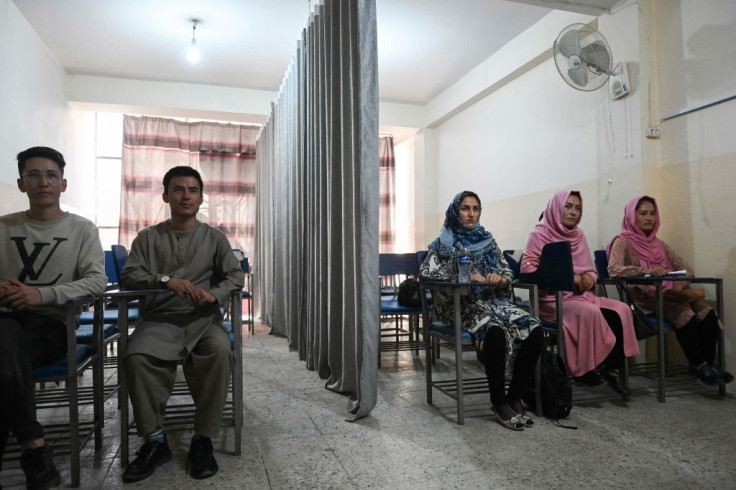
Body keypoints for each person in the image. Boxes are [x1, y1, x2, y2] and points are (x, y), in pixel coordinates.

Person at [120, 166, 244, 482]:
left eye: (192, 190)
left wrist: (212, 296)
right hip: (159, 319)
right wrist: (165, 281)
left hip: (203, 321)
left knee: (218, 352)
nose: (185, 196)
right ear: (165, 196)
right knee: (137, 357)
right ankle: (155, 441)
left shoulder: (215, 237)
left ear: (201, 198)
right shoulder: (148, 238)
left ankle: (203, 439)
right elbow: (130, 275)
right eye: (178, 189)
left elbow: (235, 276)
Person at [0, 147, 107, 490]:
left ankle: (33, 445)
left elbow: (96, 281)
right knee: (4, 339)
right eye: (33, 175)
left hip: (51, 325)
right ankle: (34, 448)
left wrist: (40, 294)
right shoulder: (3, 228)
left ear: (63, 184)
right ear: (20, 183)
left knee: (3, 348)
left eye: (50, 175)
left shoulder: (82, 229)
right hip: (4, 319)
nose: (42, 182)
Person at [420, 191, 543, 431]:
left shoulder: (487, 240)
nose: (471, 214)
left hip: (492, 302)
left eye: (475, 208)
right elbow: (426, 273)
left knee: (534, 329)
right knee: (494, 331)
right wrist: (463, 276)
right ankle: (498, 402)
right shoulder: (443, 243)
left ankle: (514, 396)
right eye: (465, 208)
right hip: (460, 305)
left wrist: (500, 277)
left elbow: (507, 270)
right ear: (456, 211)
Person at [521, 190, 639, 397]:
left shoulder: (578, 235)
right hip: (550, 300)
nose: (573, 212)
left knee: (621, 310)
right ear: (556, 208)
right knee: (588, 312)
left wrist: (589, 278)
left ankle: (610, 367)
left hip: (580, 296)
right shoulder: (539, 235)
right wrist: (569, 278)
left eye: (578, 208)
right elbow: (528, 271)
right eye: (568, 206)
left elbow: (590, 270)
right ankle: (584, 368)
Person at [606, 195, 733, 385]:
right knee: (685, 313)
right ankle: (698, 364)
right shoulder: (623, 242)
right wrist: (645, 271)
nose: (649, 218)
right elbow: (613, 269)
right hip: (646, 300)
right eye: (643, 214)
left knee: (709, 316)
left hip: (673, 294)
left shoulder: (660, 244)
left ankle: (707, 365)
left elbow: (686, 269)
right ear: (632, 217)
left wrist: (679, 284)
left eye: (652, 213)